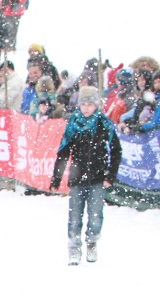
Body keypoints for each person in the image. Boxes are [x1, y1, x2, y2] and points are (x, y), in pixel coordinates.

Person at [50, 86, 121, 265]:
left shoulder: (104, 124)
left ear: (96, 105)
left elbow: (116, 150)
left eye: (90, 104)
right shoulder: (73, 124)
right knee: (74, 218)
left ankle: (92, 242)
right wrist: (56, 177)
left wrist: (110, 176)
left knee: (95, 216)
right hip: (77, 178)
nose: (87, 108)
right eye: (83, 104)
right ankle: (73, 249)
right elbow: (63, 152)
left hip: (97, 178)